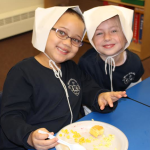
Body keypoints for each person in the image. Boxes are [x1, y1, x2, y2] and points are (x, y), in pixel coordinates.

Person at [0, 6, 127, 150]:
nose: (67, 43)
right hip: (36, 145)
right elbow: (10, 117)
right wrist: (29, 136)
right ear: (45, 29)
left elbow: (88, 89)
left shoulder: (72, 68)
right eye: (61, 33)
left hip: (71, 140)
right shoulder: (23, 73)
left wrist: (100, 97)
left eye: (75, 39)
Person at [78, 5, 144, 114]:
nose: (107, 37)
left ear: (126, 34)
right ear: (91, 39)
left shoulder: (134, 61)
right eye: (99, 33)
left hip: (123, 108)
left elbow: (136, 89)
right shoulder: (87, 63)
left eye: (114, 31)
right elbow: (85, 95)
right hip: (94, 111)